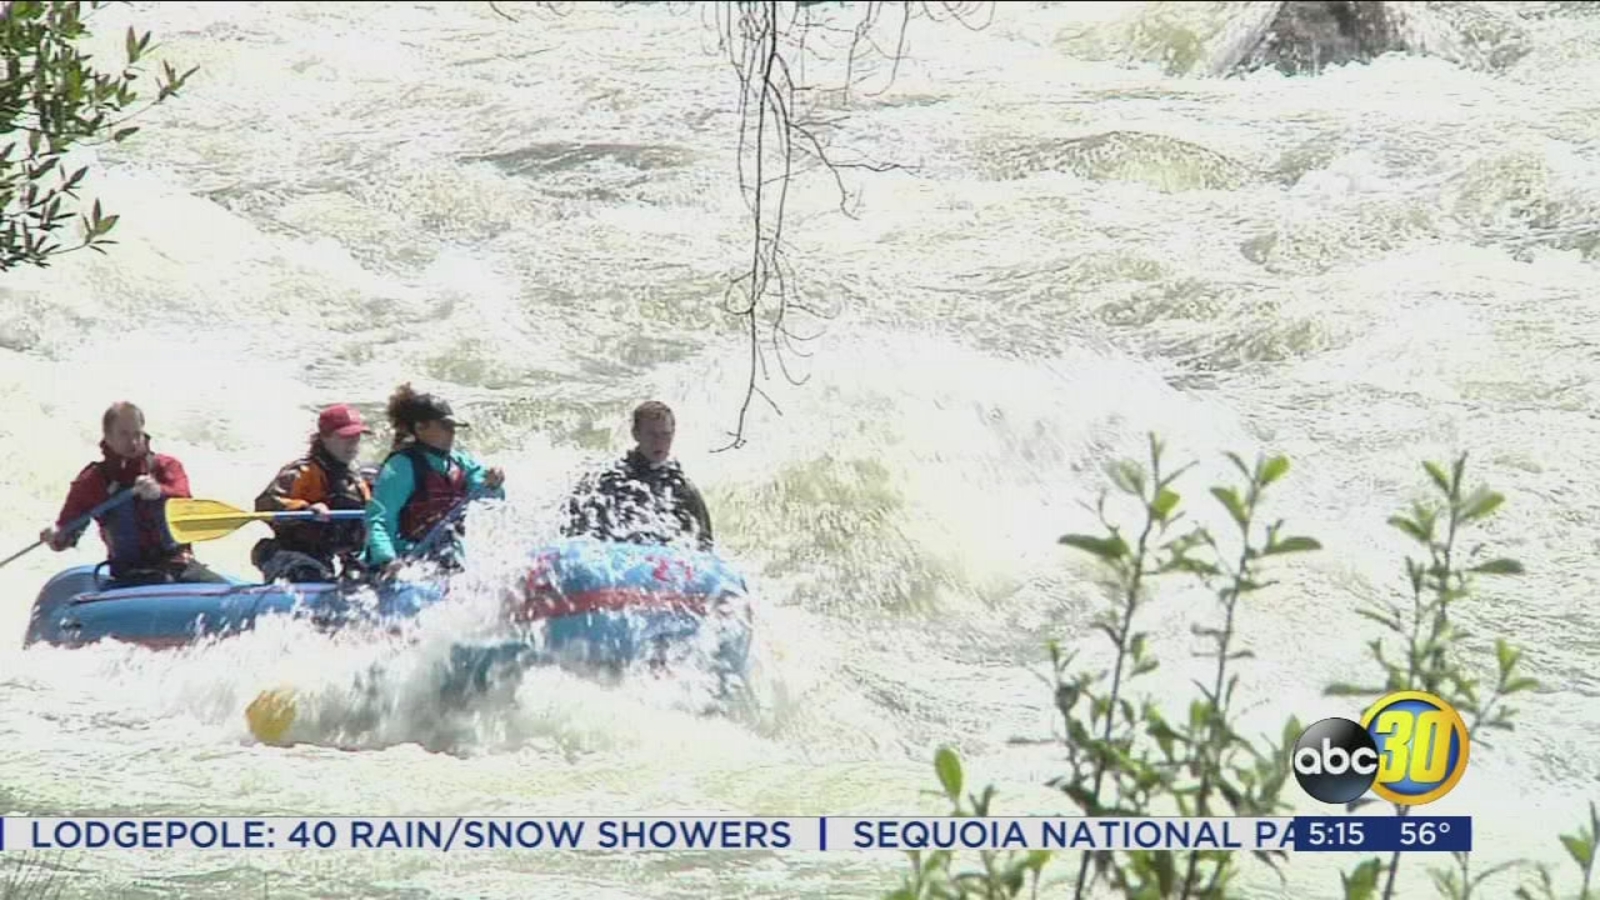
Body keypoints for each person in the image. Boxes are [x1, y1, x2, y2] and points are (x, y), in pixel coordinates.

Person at [39, 401, 227, 586]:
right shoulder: (92, 481)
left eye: (138, 434)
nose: (134, 442)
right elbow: (66, 535)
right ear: (108, 437)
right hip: (129, 575)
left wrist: (160, 492)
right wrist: (56, 536)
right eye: (124, 434)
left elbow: (186, 504)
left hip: (178, 565)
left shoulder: (166, 467)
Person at [364, 383, 505, 577]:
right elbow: (378, 519)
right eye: (446, 426)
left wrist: (494, 483)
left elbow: (491, 498)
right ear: (420, 428)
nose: (452, 431)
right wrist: (388, 560)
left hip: (449, 560)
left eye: (453, 426)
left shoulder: (460, 462)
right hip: (406, 562)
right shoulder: (400, 468)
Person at [561, 400, 715, 552]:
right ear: (636, 434)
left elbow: (705, 544)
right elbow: (572, 528)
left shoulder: (682, 489)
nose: (659, 442)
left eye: (665, 434)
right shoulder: (608, 479)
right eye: (652, 434)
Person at [250, 404, 375, 584]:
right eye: (345, 437)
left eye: (356, 437)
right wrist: (306, 508)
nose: (352, 443)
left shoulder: (355, 480)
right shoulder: (301, 472)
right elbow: (264, 504)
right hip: (288, 555)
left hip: (327, 559)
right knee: (312, 576)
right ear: (325, 437)